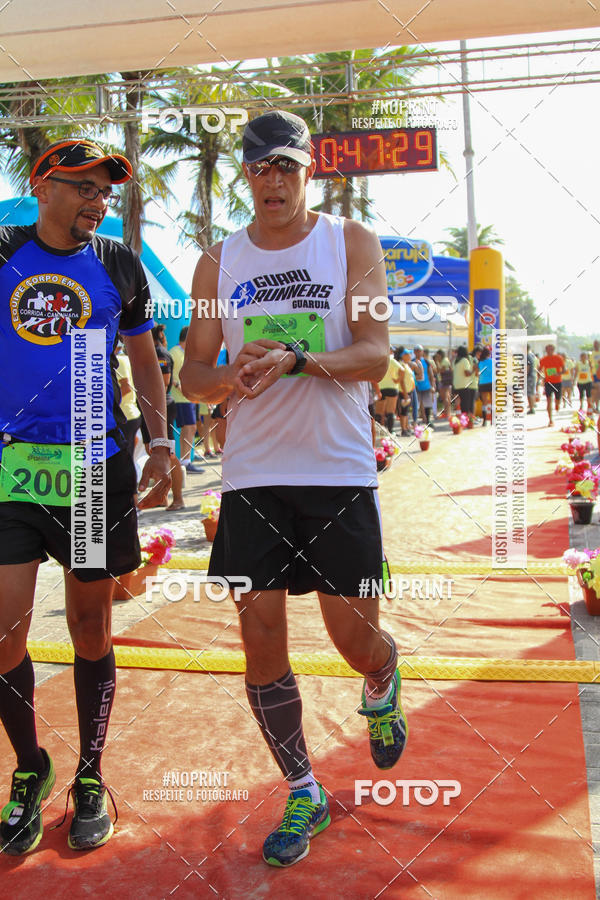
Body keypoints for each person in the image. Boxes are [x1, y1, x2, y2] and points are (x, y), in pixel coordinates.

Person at [181, 110, 407, 868]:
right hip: (251, 478)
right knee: (261, 640)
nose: (271, 180)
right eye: (257, 168)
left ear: (310, 170)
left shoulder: (351, 244)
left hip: (336, 470)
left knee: (353, 642)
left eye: (285, 166)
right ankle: (303, 787)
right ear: (244, 176)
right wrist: (233, 379)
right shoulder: (217, 262)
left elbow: (375, 356)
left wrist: (299, 362)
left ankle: (382, 675)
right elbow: (194, 371)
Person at [0, 139, 172, 855]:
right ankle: (30, 767)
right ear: (43, 188)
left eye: (105, 190)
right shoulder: (3, 249)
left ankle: (91, 774)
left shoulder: (118, 265)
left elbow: (143, 357)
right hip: (12, 469)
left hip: (93, 471)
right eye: (83, 187)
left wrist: (162, 443)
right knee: (4, 630)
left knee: (90, 628)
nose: (98, 200)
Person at [169, 326, 204, 473]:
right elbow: (167, 374)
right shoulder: (174, 352)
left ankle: (186, 460)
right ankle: (185, 461)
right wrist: (179, 386)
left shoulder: (186, 353)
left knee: (191, 427)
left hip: (190, 397)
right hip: (180, 398)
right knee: (189, 427)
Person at [375, 349, 401, 432]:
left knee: (379, 411)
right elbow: (402, 370)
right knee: (391, 410)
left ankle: (378, 431)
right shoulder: (391, 360)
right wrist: (398, 380)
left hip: (381, 387)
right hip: (392, 387)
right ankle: (391, 431)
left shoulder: (379, 360)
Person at [539, 343, 564, 426]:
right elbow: (539, 370)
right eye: (548, 349)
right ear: (546, 350)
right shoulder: (543, 359)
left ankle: (557, 404)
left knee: (557, 400)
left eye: (551, 349)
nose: (549, 351)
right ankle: (550, 420)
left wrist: (558, 373)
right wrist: (541, 378)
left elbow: (564, 370)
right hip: (548, 382)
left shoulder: (558, 358)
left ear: (553, 350)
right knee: (549, 401)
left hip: (558, 382)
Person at [453, 345, 476, 415]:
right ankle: (465, 420)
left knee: (457, 403)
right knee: (465, 405)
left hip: (456, 385)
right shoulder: (465, 360)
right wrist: (473, 370)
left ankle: (458, 420)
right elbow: (467, 373)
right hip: (464, 385)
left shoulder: (455, 361)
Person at [477, 347, 493, 426]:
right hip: (492, 382)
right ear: (489, 354)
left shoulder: (480, 363)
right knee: (493, 401)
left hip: (482, 383)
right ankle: (492, 420)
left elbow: (477, 373)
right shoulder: (492, 361)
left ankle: (484, 421)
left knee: (484, 402)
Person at [526, 345, 537, 414]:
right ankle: (531, 407)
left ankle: (531, 408)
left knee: (530, 393)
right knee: (531, 392)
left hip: (529, 377)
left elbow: (527, 368)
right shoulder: (531, 356)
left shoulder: (527, 357)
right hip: (532, 376)